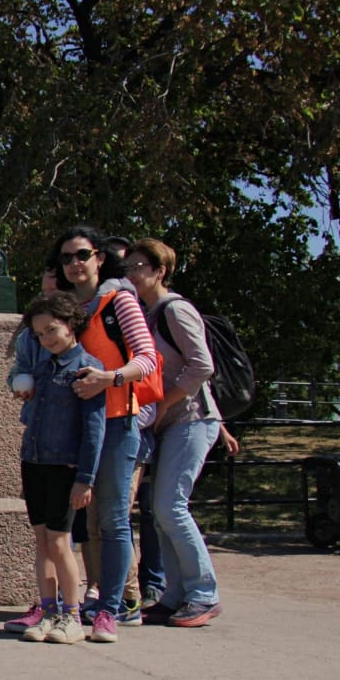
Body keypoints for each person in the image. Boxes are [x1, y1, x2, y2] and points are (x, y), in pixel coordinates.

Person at [51, 225, 159, 643]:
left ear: (99, 257)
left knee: (113, 519)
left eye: (82, 254)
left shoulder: (120, 300)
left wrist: (109, 378)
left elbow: (147, 359)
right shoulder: (63, 308)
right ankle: (78, 603)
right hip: (73, 427)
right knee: (81, 523)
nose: (74, 264)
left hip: (117, 422)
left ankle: (112, 610)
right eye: (66, 258)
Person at [124, 238, 224, 627]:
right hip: (169, 424)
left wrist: (166, 402)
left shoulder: (175, 310)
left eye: (139, 267)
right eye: (128, 268)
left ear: (159, 271)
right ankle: (176, 595)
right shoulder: (147, 314)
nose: (132, 274)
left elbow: (202, 365)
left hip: (191, 419)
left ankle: (203, 594)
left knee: (170, 507)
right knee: (160, 512)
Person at [10, 294, 105, 644]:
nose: (46, 339)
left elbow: (94, 431)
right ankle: (48, 611)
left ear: (70, 323)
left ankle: (72, 615)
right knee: (42, 540)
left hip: (65, 466)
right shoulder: (42, 367)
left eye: (51, 330)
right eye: (39, 334)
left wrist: (85, 479)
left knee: (60, 542)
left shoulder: (87, 369)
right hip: (34, 462)